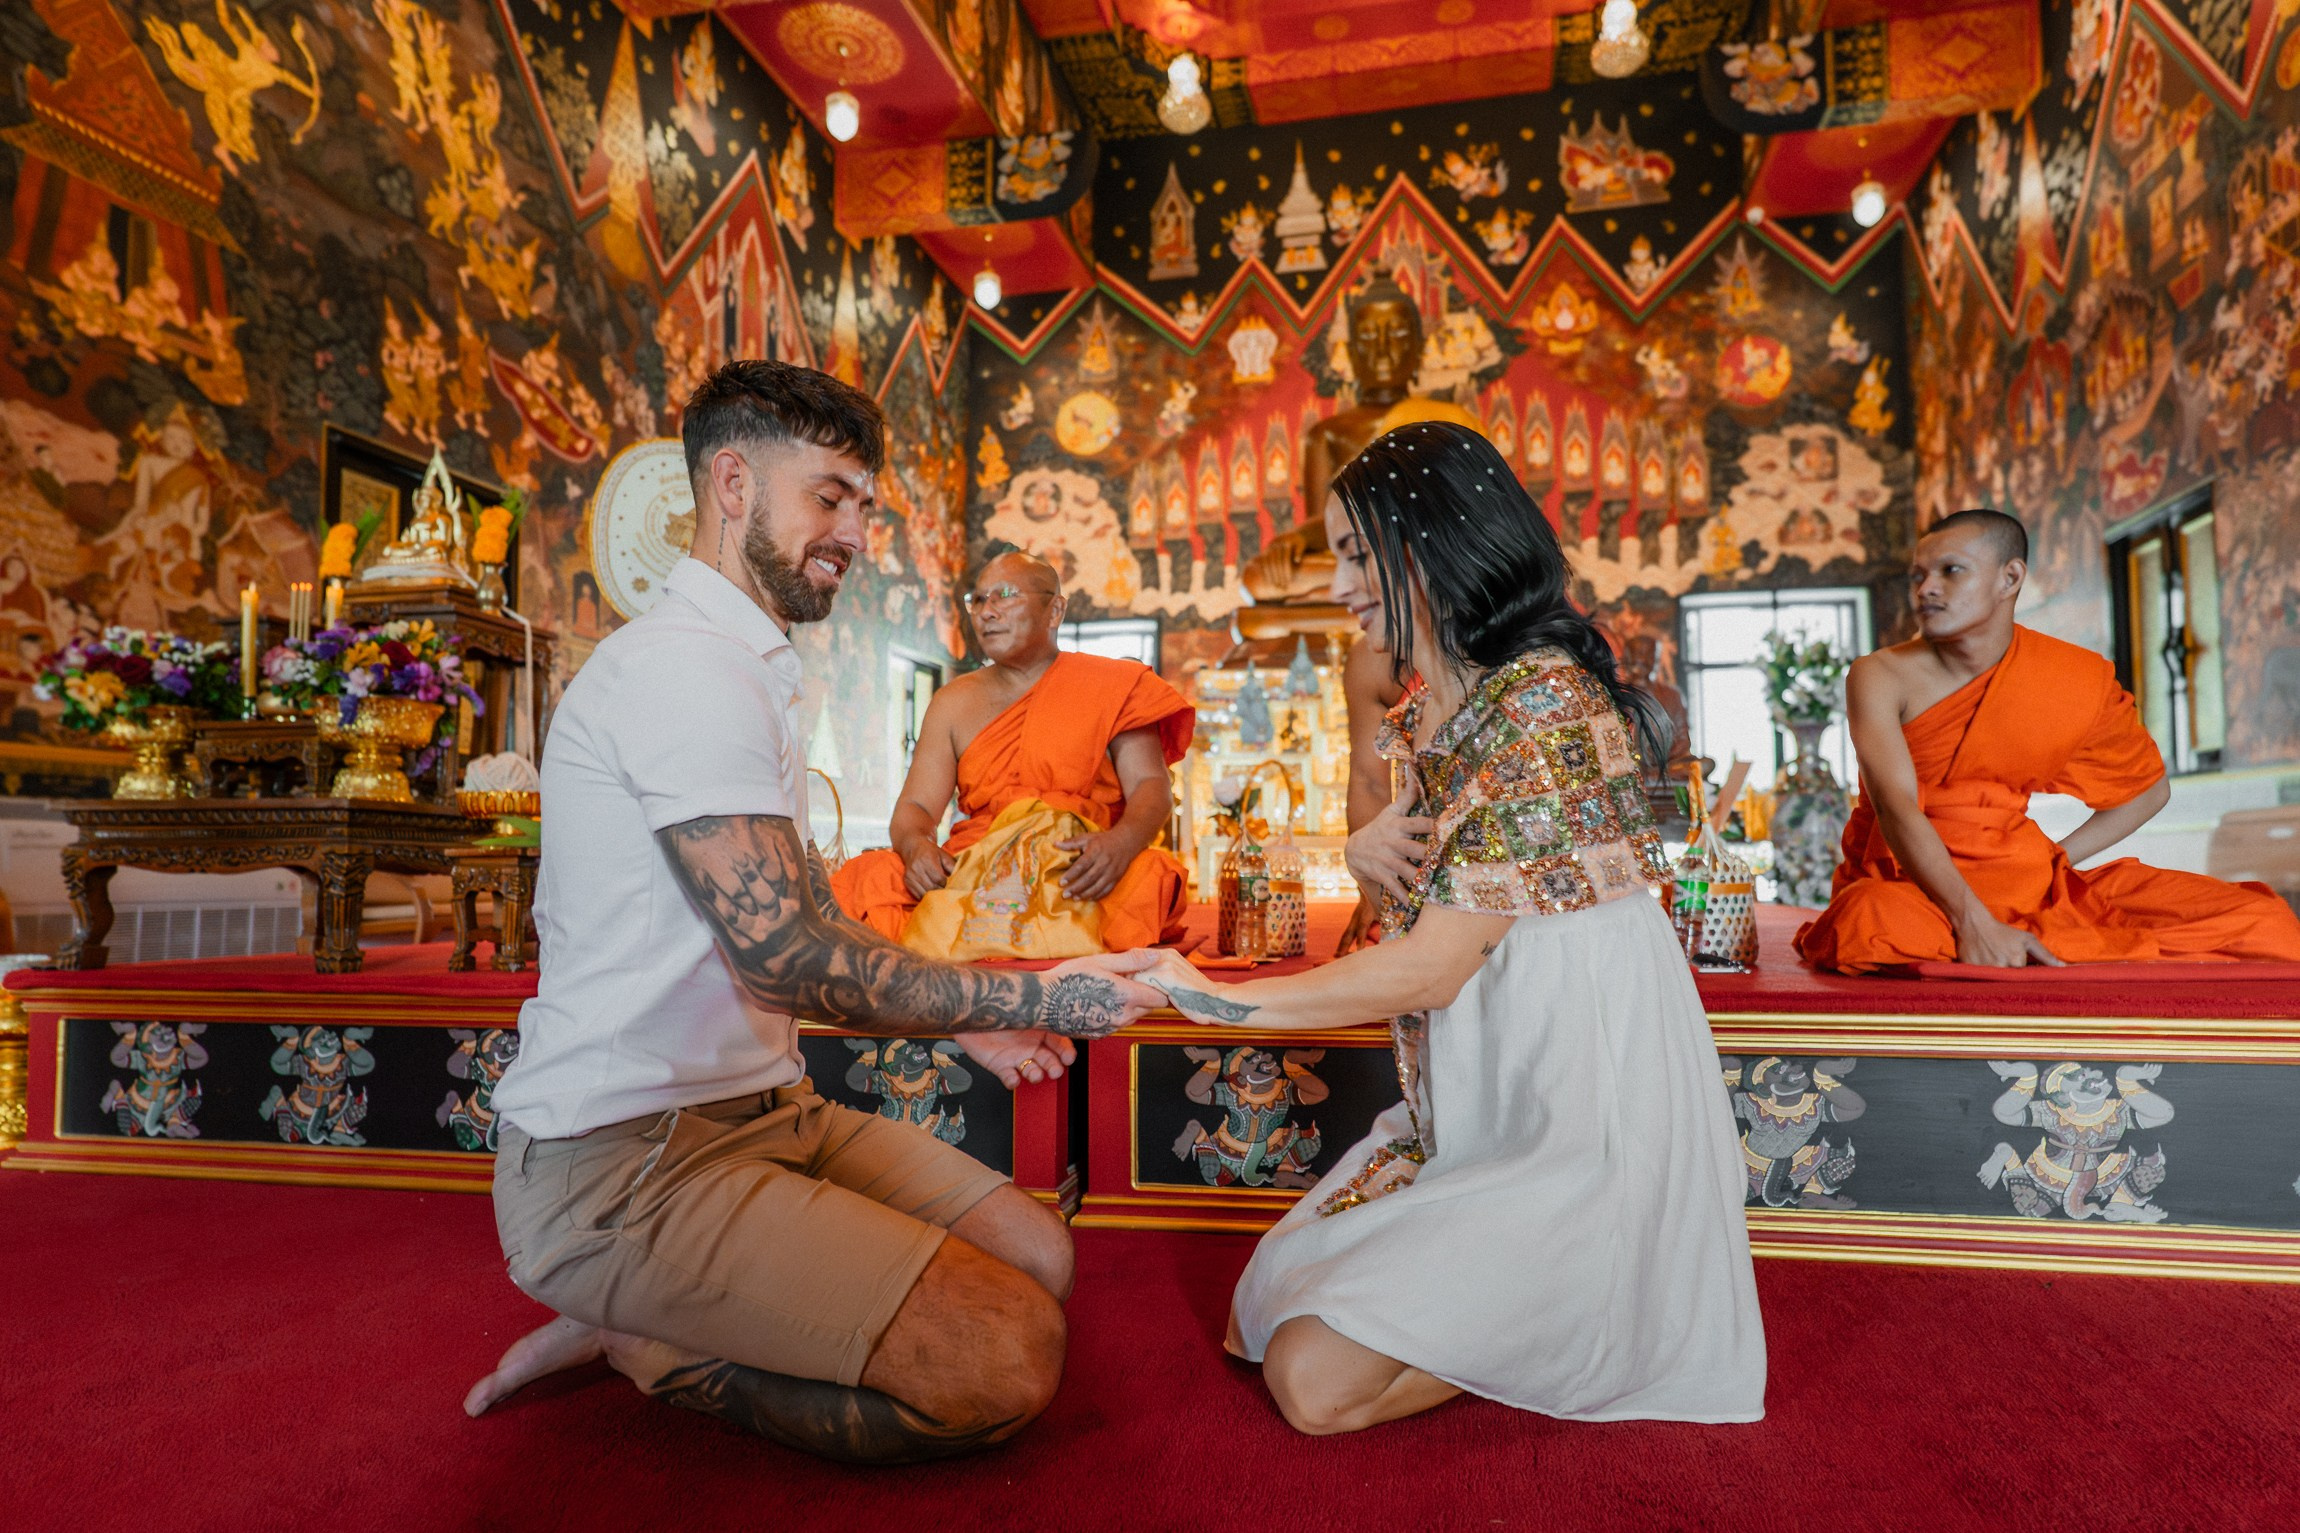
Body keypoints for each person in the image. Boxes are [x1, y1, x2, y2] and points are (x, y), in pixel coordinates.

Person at [464, 360, 1164, 1462]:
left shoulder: (747, 665)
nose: (854, 530)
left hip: (763, 1112)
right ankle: (652, 1341)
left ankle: (668, 1303)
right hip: (625, 1158)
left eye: (865, 505)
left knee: (1040, 1256)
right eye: (828, 496)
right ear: (732, 484)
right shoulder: (684, 671)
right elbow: (786, 957)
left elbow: (791, 929)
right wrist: (1037, 992)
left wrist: (966, 1016)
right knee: (1005, 1352)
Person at [1141, 420, 1766, 1436]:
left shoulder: (1541, 705)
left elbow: (1429, 967)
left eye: (1353, 553)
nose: (1337, 582)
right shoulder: (1438, 702)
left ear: (1426, 544)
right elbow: (1433, 895)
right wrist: (1355, 856)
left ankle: (1608, 1293)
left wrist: (1203, 992)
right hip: (1477, 1090)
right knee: (1277, 1300)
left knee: (1311, 1381)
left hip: (1577, 1108)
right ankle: (1536, 1296)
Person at [1795, 509, 2300, 972]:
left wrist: (2055, 859)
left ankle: (2026, 935)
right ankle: (1998, 936)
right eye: (1919, 574)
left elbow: (2148, 792)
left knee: (2262, 919)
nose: (1927, 588)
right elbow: (1897, 807)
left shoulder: (2069, 677)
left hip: (2026, 881)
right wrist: (1974, 922)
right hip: (1910, 886)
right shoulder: (1880, 675)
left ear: (2009, 578)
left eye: (1951, 571)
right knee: (1868, 923)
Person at [831, 550, 1194, 958]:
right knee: (866, 877)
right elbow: (915, 805)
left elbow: (1151, 785)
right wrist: (917, 849)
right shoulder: (953, 701)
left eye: (1004, 595)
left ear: (1054, 610)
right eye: (978, 600)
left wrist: (1121, 844)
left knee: (1151, 877)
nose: (987, 611)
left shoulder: (1114, 684)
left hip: (1076, 870)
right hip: (975, 868)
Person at [1333, 633, 1406, 955]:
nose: (1342, 592)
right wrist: (1375, 889)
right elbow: (1369, 781)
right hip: (1420, 861)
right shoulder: (1375, 658)